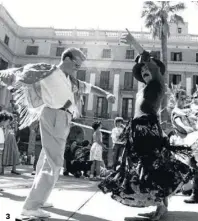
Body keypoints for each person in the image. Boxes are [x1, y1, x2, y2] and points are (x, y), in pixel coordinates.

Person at [0, 48, 115, 218]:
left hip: (61, 118)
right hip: (55, 115)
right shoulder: (50, 71)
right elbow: (21, 73)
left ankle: (41, 198)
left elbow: (90, 88)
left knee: (46, 159)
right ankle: (31, 206)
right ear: (67, 58)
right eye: (76, 63)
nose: (78, 67)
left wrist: (106, 94)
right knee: (54, 162)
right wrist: (8, 78)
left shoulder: (72, 81)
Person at [99, 30, 193, 221]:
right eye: (141, 70)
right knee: (143, 167)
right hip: (137, 129)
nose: (144, 70)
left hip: (149, 129)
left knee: (152, 166)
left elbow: (150, 62)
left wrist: (134, 44)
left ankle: (161, 206)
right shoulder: (142, 90)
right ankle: (161, 206)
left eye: (147, 68)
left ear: (155, 70)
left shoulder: (158, 83)